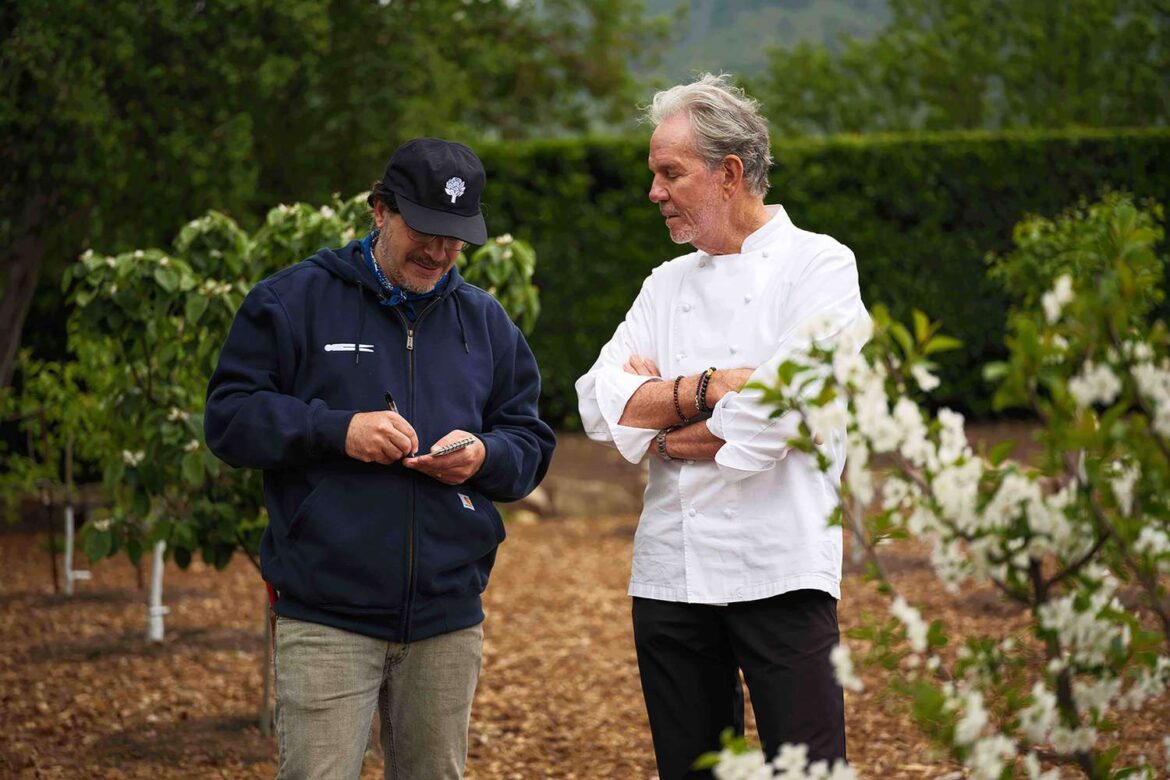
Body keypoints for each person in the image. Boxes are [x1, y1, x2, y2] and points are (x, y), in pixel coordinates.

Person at [205, 138, 555, 779]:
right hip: (327, 616)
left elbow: (530, 442)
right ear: (379, 211)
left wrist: (482, 455)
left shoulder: (486, 323)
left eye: (456, 238)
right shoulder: (291, 302)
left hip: (447, 620)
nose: (440, 251)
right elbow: (229, 419)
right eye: (425, 229)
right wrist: (335, 430)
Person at [575, 74, 869, 778]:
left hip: (781, 572)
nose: (654, 191)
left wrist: (664, 425)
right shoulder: (664, 284)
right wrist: (713, 386)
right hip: (670, 578)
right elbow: (595, 401)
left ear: (729, 173)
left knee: (809, 772)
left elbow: (787, 411)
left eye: (669, 172)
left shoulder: (820, 266)